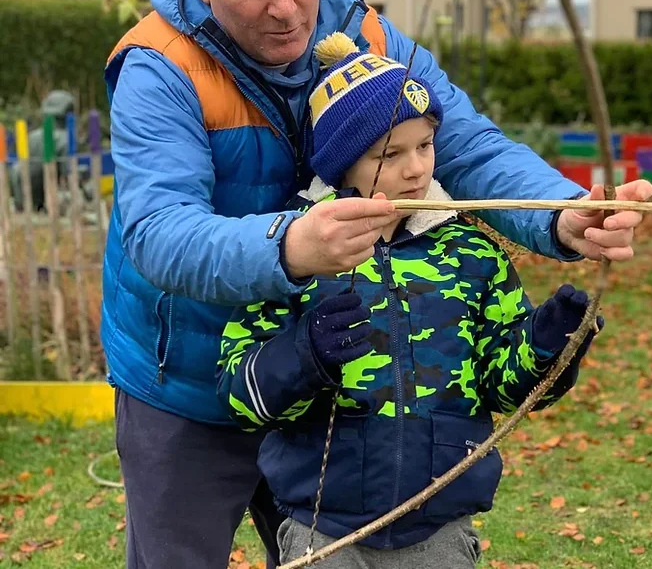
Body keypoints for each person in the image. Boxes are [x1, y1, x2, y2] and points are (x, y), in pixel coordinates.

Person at [102, 0, 652, 566]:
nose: (285, 7)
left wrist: (562, 211)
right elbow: (159, 231)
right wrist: (292, 246)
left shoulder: (367, 34)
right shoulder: (159, 64)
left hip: (332, 400)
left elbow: (466, 144)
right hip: (186, 383)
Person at [216, 32, 605, 568]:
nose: (416, 168)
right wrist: (305, 357)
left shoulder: (472, 255)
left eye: (425, 145)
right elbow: (240, 395)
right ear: (342, 165)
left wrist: (547, 345)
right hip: (322, 533)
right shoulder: (295, 251)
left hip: (438, 528)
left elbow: (504, 386)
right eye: (389, 154)